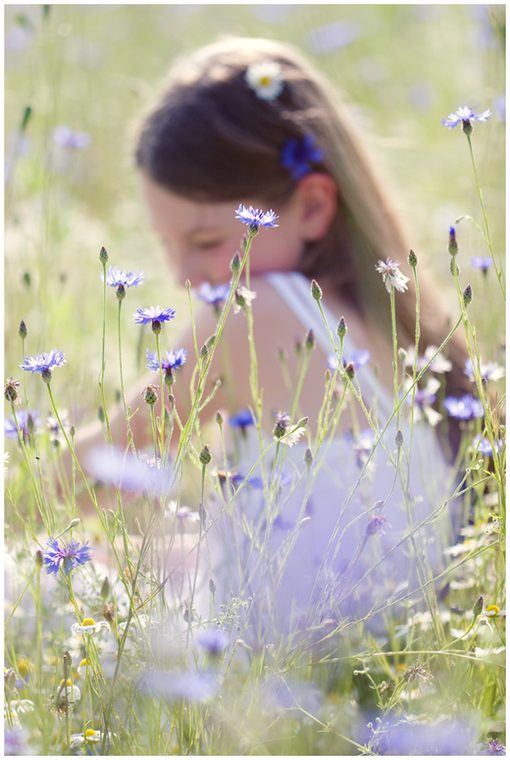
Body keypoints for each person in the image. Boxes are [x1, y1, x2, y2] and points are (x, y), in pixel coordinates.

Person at [87, 36, 471, 645]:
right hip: (363, 670)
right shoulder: (400, 331)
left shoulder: (253, 315)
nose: (185, 276)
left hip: (267, 680)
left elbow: (77, 479)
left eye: (208, 242)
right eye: (167, 246)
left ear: (314, 206)